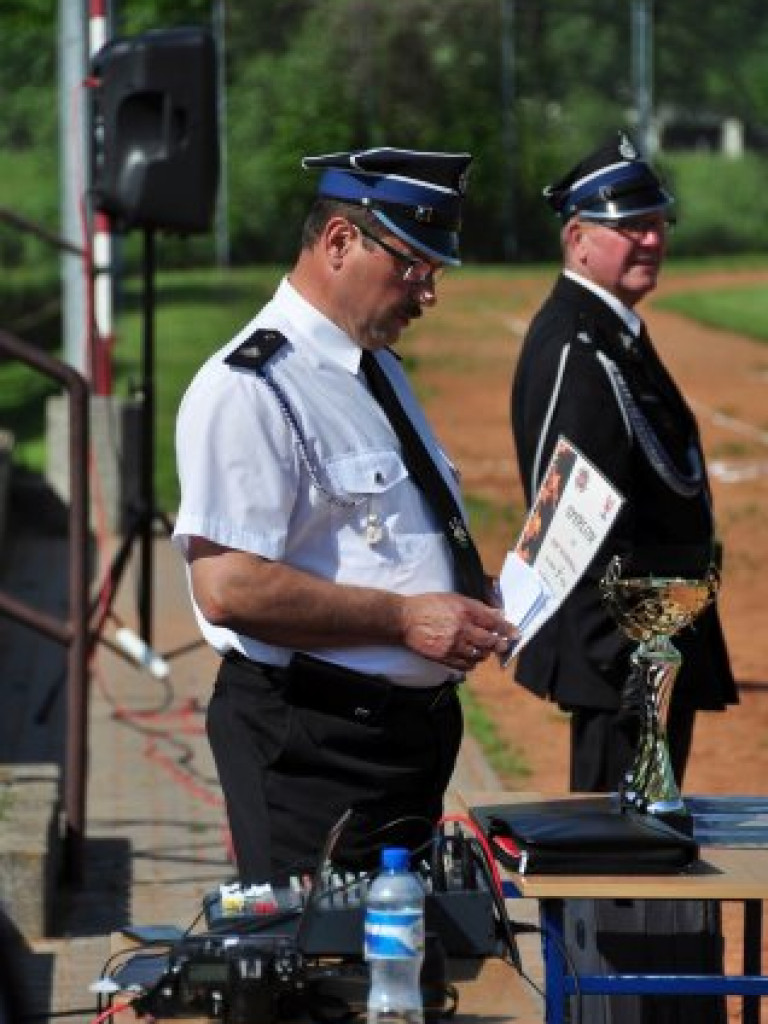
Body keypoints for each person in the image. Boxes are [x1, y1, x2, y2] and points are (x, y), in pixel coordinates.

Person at [173, 147, 515, 885]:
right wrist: (403, 619)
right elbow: (229, 588)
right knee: (324, 978)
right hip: (315, 750)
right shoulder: (250, 386)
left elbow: (375, 536)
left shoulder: (372, 366)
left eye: (435, 272)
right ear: (338, 243)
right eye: (412, 267)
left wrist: (463, 592)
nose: (426, 293)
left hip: (401, 741)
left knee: (398, 971)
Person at [510, 128, 738, 1024]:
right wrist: (623, 664)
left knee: (649, 849)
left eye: (656, 222)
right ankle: (619, 1008)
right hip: (620, 657)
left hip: (649, 647)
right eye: (628, 224)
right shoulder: (576, 341)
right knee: (618, 865)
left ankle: (648, 999)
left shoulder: (611, 332)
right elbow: (569, 518)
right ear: (578, 238)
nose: (650, 238)